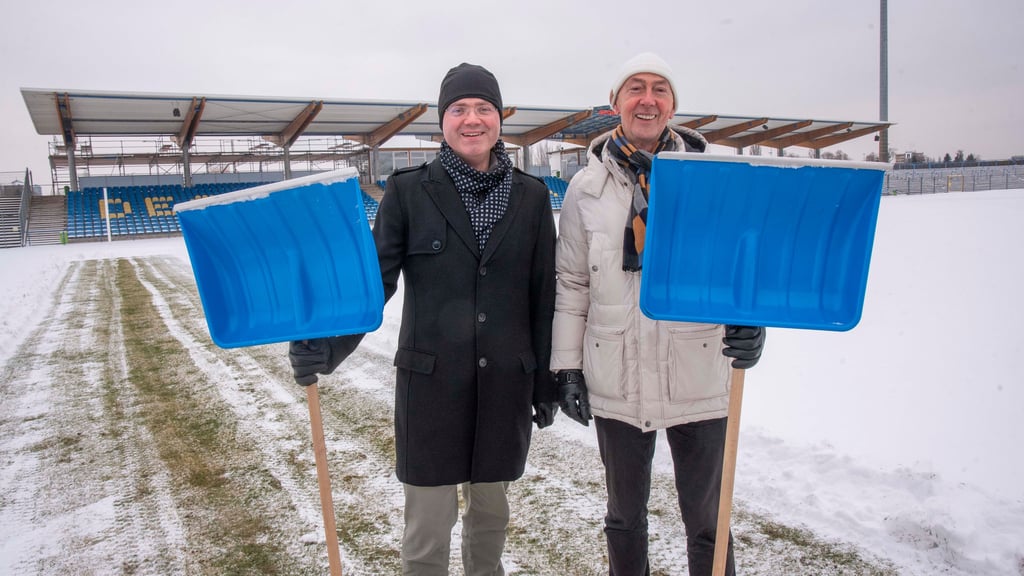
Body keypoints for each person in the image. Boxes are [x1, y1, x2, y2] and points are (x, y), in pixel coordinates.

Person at [289, 63, 558, 575]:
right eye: (459, 109)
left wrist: (544, 384)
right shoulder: (409, 191)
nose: (472, 119)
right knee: (427, 531)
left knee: (490, 520)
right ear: (443, 123)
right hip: (431, 388)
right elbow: (376, 282)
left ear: (500, 119)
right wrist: (326, 347)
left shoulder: (531, 196)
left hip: (504, 387)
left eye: (484, 108)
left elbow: (543, 295)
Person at [550, 52, 766, 576]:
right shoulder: (585, 189)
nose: (648, 99)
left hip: (699, 368)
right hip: (615, 371)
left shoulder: (715, 178)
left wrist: (751, 325)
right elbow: (574, 282)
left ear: (673, 104)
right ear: (615, 103)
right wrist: (567, 367)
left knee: (708, 518)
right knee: (625, 517)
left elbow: (741, 269)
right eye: (635, 88)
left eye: (660, 89)